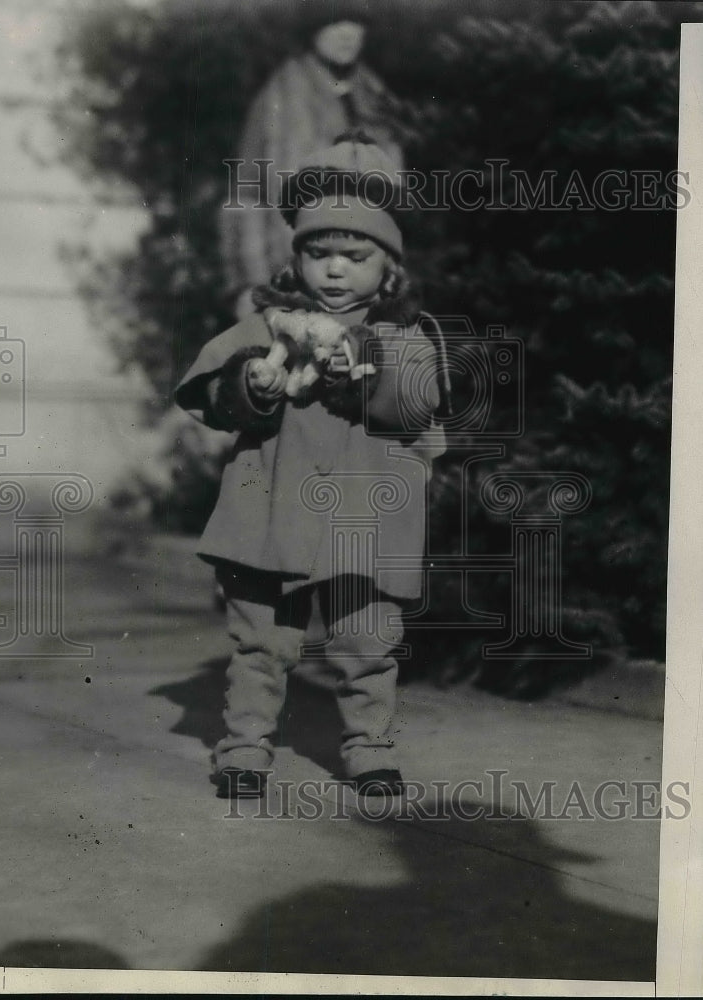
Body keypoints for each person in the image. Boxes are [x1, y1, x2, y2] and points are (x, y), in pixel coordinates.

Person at [176, 135, 449, 800]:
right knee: (261, 639)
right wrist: (253, 384)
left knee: (365, 640)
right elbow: (210, 387)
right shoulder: (269, 324)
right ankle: (244, 745)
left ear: (387, 270)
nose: (333, 271)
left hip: (365, 516)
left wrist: (362, 373)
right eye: (317, 253)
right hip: (272, 506)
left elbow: (417, 402)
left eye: (353, 258)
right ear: (295, 258)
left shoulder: (403, 334)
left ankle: (369, 746)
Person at [221, 1, 404, 319]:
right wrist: (249, 285)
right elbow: (246, 195)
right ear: (314, 30)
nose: (347, 33)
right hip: (292, 280)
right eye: (334, 21)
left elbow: (395, 196)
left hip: (366, 284)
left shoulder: (377, 98)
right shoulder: (280, 97)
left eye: (356, 22)